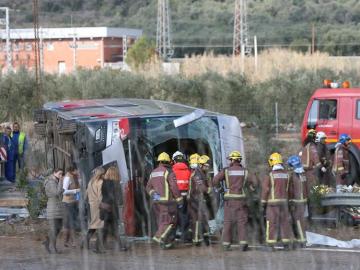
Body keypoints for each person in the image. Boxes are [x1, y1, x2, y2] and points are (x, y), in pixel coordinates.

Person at [213, 151, 254, 251]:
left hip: (229, 200)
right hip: (241, 200)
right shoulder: (245, 171)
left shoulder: (226, 171)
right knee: (242, 222)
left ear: (231, 160)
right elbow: (255, 182)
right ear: (239, 160)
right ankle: (243, 244)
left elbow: (215, 180)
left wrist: (220, 189)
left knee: (228, 222)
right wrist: (250, 189)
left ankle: (226, 245)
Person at [146, 152, 183, 249]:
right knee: (171, 221)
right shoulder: (169, 172)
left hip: (156, 202)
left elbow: (148, 187)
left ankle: (167, 243)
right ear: (168, 161)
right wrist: (179, 200)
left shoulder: (153, 172)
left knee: (161, 222)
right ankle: (158, 237)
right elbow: (174, 187)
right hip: (168, 202)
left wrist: (154, 195)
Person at [261, 152, 292, 251]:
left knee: (271, 223)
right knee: (284, 223)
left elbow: (265, 190)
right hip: (284, 203)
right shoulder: (287, 175)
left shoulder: (270, 175)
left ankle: (270, 245)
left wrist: (263, 202)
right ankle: (286, 244)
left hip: (272, 204)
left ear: (272, 162)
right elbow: (290, 190)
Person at [188, 155, 212, 246]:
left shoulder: (202, 172)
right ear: (201, 165)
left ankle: (205, 237)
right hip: (195, 199)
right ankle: (197, 240)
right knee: (198, 219)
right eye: (206, 165)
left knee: (203, 218)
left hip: (199, 199)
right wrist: (209, 190)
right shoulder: (197, 174)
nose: (207, 167)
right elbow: (201, 187)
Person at [100, 166, 127, 251]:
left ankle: (101, 246)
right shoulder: (114, 184)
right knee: (109, 229)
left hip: (105, 208)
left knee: (109, 229)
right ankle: (99, 246)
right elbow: (117, 198)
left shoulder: (103, 182)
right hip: (110, 209)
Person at [83, 167, 106, 253]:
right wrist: (102, 204)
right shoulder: (100, 182)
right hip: (98, 205)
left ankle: (85, 243)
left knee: (94, 224)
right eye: (104, 173)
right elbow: (100, 195)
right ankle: (98, 247)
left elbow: (86, 194)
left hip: (91, 204)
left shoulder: (90, 181)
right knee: (100, 225)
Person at [287, 155, 308, 247]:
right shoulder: (302, 174)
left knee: (297, 220)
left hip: (297, 201)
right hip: (304, 201)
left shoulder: (293, 176)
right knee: (301, 220)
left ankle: (301, 240)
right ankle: (301, 238)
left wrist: (290, 201)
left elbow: (290, 190)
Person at [171, 151, 191, 242]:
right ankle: (184, 236)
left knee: (174, 216)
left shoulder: (172, 171)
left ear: (174, 161)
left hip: (175, 197)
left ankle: (173, 236)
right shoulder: (188, 171)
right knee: (184, 215)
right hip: (186, 196)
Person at [43, 168, 64, 253]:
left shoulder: (56, 181)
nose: (61, 175)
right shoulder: (51, 182)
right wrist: (61, 182)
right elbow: (56, 192)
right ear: (54, 173)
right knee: (54, 229)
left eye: (62, 174)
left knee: (57, 229)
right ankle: (53, 248)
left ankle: (47, 242)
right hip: (53, 208)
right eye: (59, 174)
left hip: (58, 208)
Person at [62, 165, 80, 248]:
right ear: (74, 170)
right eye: (77, 170)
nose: (78, 171)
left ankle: (67, 242)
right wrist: (75, 191)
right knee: (70, 222)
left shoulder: (75, 176)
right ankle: (73, 242)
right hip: (68, 203)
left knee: (71, 222)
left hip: (73, 202)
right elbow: (64, 191)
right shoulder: (67, 178)